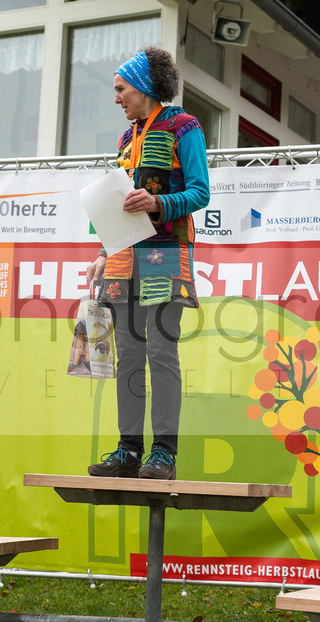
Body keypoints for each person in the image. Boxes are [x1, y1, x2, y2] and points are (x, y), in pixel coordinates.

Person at [85, 47, 210, 482]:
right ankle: (128, 450)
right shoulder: (125, 139)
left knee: (160, 350)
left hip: (164, 254)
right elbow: (118, 208)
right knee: (128, 357)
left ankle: (165, 454)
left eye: (120, 90)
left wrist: (158, 201)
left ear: (143, 88)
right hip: (122, 259)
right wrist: (103, 252)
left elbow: (200, 193)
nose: (116, 98)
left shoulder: (184, 127)